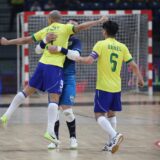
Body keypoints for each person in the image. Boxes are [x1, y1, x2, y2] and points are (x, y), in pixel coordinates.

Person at [0, 10, 107, 145]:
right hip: (54, 67)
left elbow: (26, 40)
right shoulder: (65, 28)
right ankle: (50, 132)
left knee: (26, 91)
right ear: (60, 19)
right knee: (54, 99)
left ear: (50, 19)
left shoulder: (47, 29)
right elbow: (82, 26)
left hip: (42, 65)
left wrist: (8, 42)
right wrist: (98, 21)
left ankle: (6, 115)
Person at [50, 20, 144, 153]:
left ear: (105, 31)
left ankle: (115, 135)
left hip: (104, 86)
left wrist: (79, 59)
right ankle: (110, 143)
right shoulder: (122, 47)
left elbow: (89, 60)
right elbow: (133, 65)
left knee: (99, 115)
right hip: (117, 86)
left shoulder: (101, 44)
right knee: (111, 114)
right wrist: (140, 79)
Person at [35, 19, 82, 149]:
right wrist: (44, 42)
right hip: (54, 74)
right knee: (54, 109)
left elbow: (75, 56)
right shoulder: (54, 37)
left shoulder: (76, 42)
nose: (72, 26)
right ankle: (54, 138)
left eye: (75, 24)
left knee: (67, 110)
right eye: (70, 23)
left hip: (68, 77)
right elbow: (38, 49)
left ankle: (73, 138)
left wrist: (60, 49)